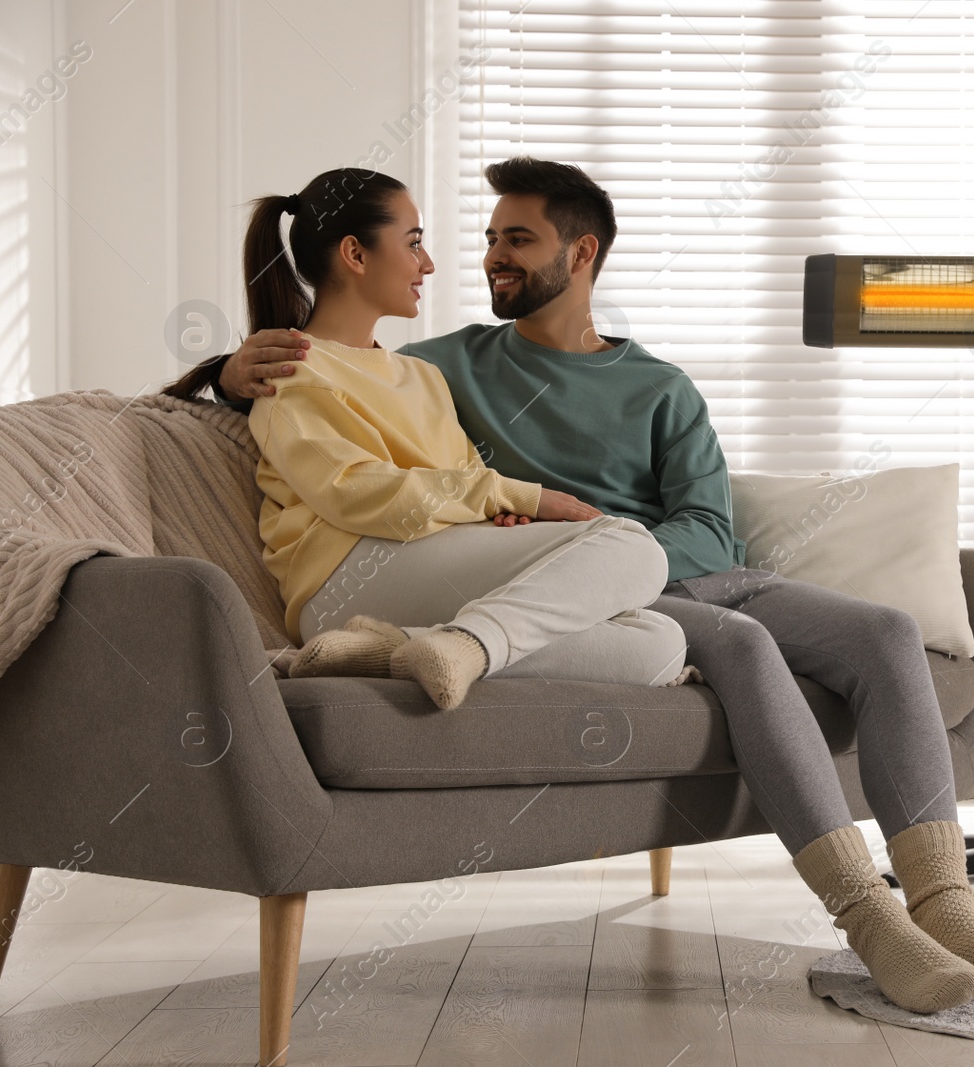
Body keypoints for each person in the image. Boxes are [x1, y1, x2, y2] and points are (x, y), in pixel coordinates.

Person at [186, 158, 974, 1013]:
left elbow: (708, 526)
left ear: (581, 256)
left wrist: (626, 548)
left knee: (889, 632)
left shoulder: (658, 387)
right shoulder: (452, 363)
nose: (489, 255)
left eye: (518, 240)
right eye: (490, 235)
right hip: (569, 579)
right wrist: (227, 378)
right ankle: (871, 918)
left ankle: (950, 910)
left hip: (682, 573)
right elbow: (337, 395)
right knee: (738, 645)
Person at [164, 168, 688, 710]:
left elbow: (465, 481)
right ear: (356, 254)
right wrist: (518, 496)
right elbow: (355, 492)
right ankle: (465, 643)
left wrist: (495, 516)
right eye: (413, 243)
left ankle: (402, 650)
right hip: (344, 577)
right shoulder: (292, 368)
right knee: (633, 545)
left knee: (660, 644)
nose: (428, 264)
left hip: (429, 565)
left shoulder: (422, 375)